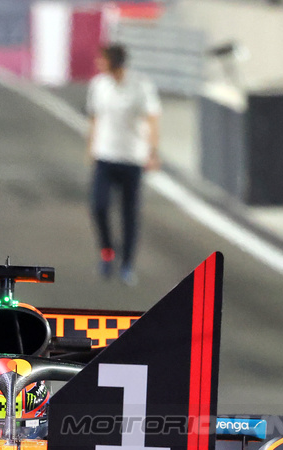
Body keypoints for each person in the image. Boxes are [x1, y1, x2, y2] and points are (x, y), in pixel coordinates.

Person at [86, 42, 160, 286]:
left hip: (132, 158)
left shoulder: (140, 85)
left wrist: (152, 152)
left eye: (103, 60)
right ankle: (107, 251)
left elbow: (152, 119)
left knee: (129, 214)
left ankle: (127, 263)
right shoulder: (99, 85)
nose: (98, 64)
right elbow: (95, 117)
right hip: (105, 156)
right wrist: (91, 146)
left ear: (114, 62)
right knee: (98, 206)